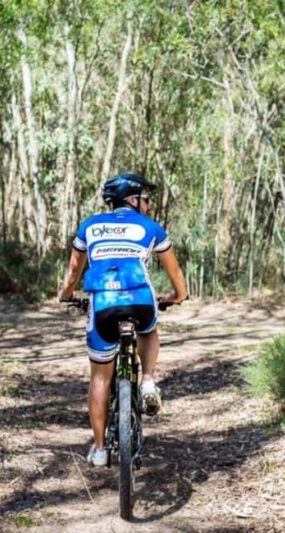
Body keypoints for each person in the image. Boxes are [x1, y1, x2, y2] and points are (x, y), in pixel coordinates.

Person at [58, 172, 188, 467]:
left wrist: (66, 294)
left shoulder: (89, 227)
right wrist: (179, 296)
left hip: (102, 303)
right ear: (132, 199)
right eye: (146, 199)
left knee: (100, 377)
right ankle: (148, 381)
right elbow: (175, 272)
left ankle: (101, 449)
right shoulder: (151, 228)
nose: (149, 205)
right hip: (140, 301)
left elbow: (73, 274)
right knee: (149, 328)